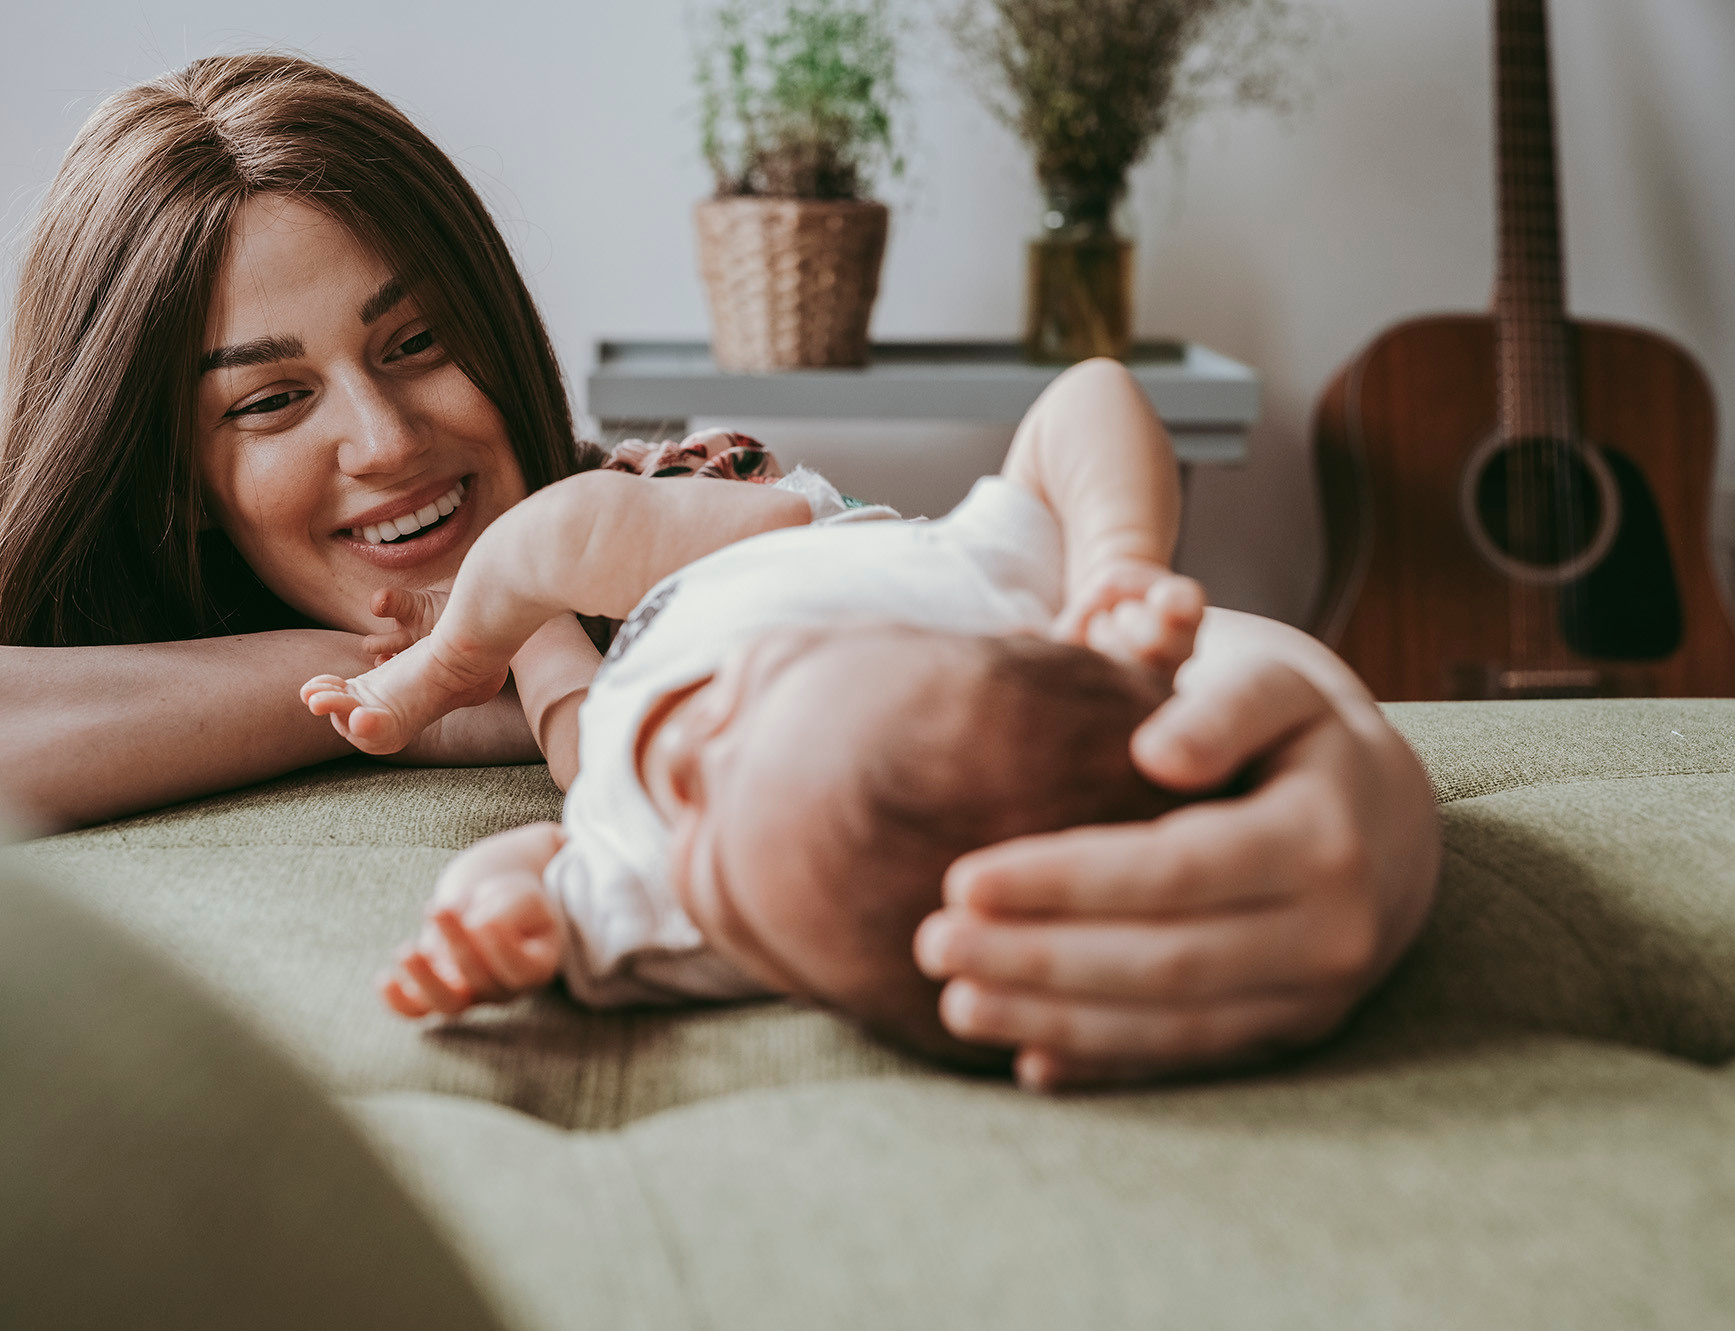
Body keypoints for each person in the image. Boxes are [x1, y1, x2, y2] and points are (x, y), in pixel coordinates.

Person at [0, 53, 1441, 1090]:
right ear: (162, 483)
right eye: (268, 401)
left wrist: (1356, 781)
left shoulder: (681, 507)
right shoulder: (104, 624)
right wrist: (435, 679)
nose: (385, 437)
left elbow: (1014, 625)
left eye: (416, 340)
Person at [304, 360, 1213, 1066]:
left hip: (606, 711)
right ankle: (459, 651)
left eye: (704, 814)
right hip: (768, 555)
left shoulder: (675, 921)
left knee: (585, 759)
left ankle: (534, 647)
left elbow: (537, 863)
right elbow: (1091, 396)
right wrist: (1118, 564)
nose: (685, 737)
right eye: (761, 695)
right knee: (561, 534)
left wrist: (487, 923)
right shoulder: (974, 604)